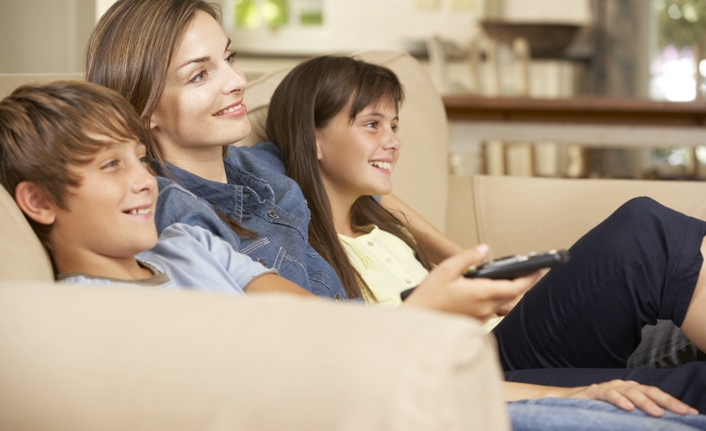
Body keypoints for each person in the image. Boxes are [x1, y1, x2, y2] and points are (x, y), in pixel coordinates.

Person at [83, 0, 706, 413]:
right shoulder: (170, 215)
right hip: (384, 368)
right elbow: (291, 353)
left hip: (408, 348)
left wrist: (430, 240)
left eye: (230, 57)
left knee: (679, 379)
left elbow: (359, 174)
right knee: (642, 234)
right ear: (142, 109)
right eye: (200, 74)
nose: (235, 81)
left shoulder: (259, 162)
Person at [3, 81, 706, 431]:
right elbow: (302, 384)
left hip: (416, 376)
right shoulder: (88, 321)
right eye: (111, 167)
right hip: (376, 408)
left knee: (676, 389)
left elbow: (326, 332)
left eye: (140, 159)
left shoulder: (191, 244)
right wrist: (425, 325)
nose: (144, 181)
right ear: (38, 201)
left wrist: (574, 392)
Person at [264, 53, 706, 411]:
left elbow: (393, 209)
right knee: (642, 235)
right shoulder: (302, 256)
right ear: (313, 138)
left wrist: (491, 283)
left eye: (394, 125)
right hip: (476, 365)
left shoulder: (380, 227)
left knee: (685, 375)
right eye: (371, 124)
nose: (393, 140)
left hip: (502, 340)